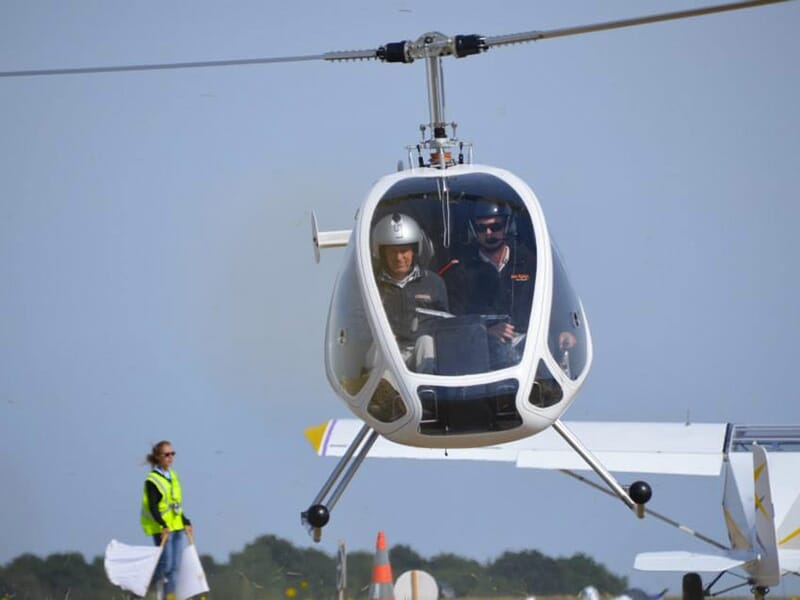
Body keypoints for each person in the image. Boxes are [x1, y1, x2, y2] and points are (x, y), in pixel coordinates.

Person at [441, 199, 576, 368]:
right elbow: (454, 321)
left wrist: (562, 330)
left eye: (495, 227)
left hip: (529, 346)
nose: (489, 233)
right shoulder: (460, 272)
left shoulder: (531, 263)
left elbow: (550, 299)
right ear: (473, 230)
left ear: (507, 226)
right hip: (481, 351)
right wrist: (485, 332)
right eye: (482, 228)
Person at [371, 212, 449, 373]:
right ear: (382, 253)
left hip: (418, 352)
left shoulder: (433, 283)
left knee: (426, 342)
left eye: (404, 250)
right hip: (387, 354)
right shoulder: (372, 284)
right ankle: (384, 392)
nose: (399, 258)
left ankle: (429, 390)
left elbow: (445, 324)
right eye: (393, 251)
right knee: (380, 344)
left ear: (414, 251)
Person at [141, 441, 192, 600]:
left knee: (174, 569)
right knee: (165, 565)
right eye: (167, 454)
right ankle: (142, 588)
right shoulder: (152, 479)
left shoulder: (173, 476)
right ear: (158, 457)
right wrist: (163, 525)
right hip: (162, 529)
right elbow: (153, 507)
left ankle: (169, 597)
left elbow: (175, 502)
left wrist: (185, 521)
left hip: (176, 527)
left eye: (172, 454)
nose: (170, 457)